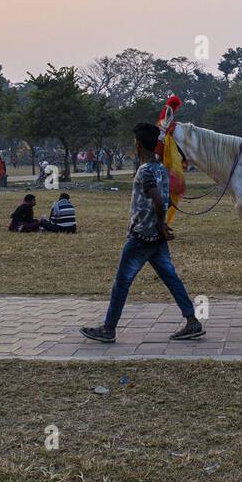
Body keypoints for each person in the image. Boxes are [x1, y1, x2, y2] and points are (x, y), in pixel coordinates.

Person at [81, 121, 203, 343]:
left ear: (138, 144)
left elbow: (157, 199)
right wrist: (162, 225)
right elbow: (163, 200)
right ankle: (192, 320)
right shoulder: (161, 169)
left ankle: (108, 329)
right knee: (171, 279)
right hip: (156, 240)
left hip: (141, 238)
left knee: (121, 284)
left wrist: (159, 224)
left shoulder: (145, 170)